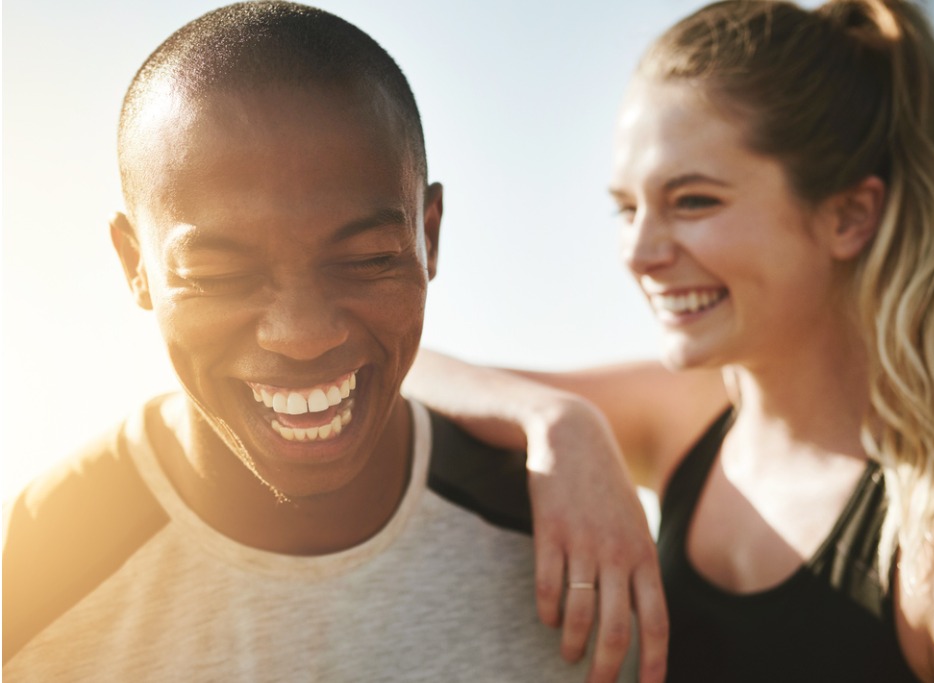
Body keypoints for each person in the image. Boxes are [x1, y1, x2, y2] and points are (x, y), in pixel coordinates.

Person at [406, 0, 934, 680]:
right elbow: (400, 369)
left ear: (849, 216)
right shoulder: (687, 417)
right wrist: (553, 419)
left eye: (694, 200)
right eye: (627, 208)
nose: (639, 250)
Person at [1, 3, 662, 680]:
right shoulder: (34, 570)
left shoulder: (572, 553)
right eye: (219, 273)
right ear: (133, 262)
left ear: (428, 235)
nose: (303, 334)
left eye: (368, 258)